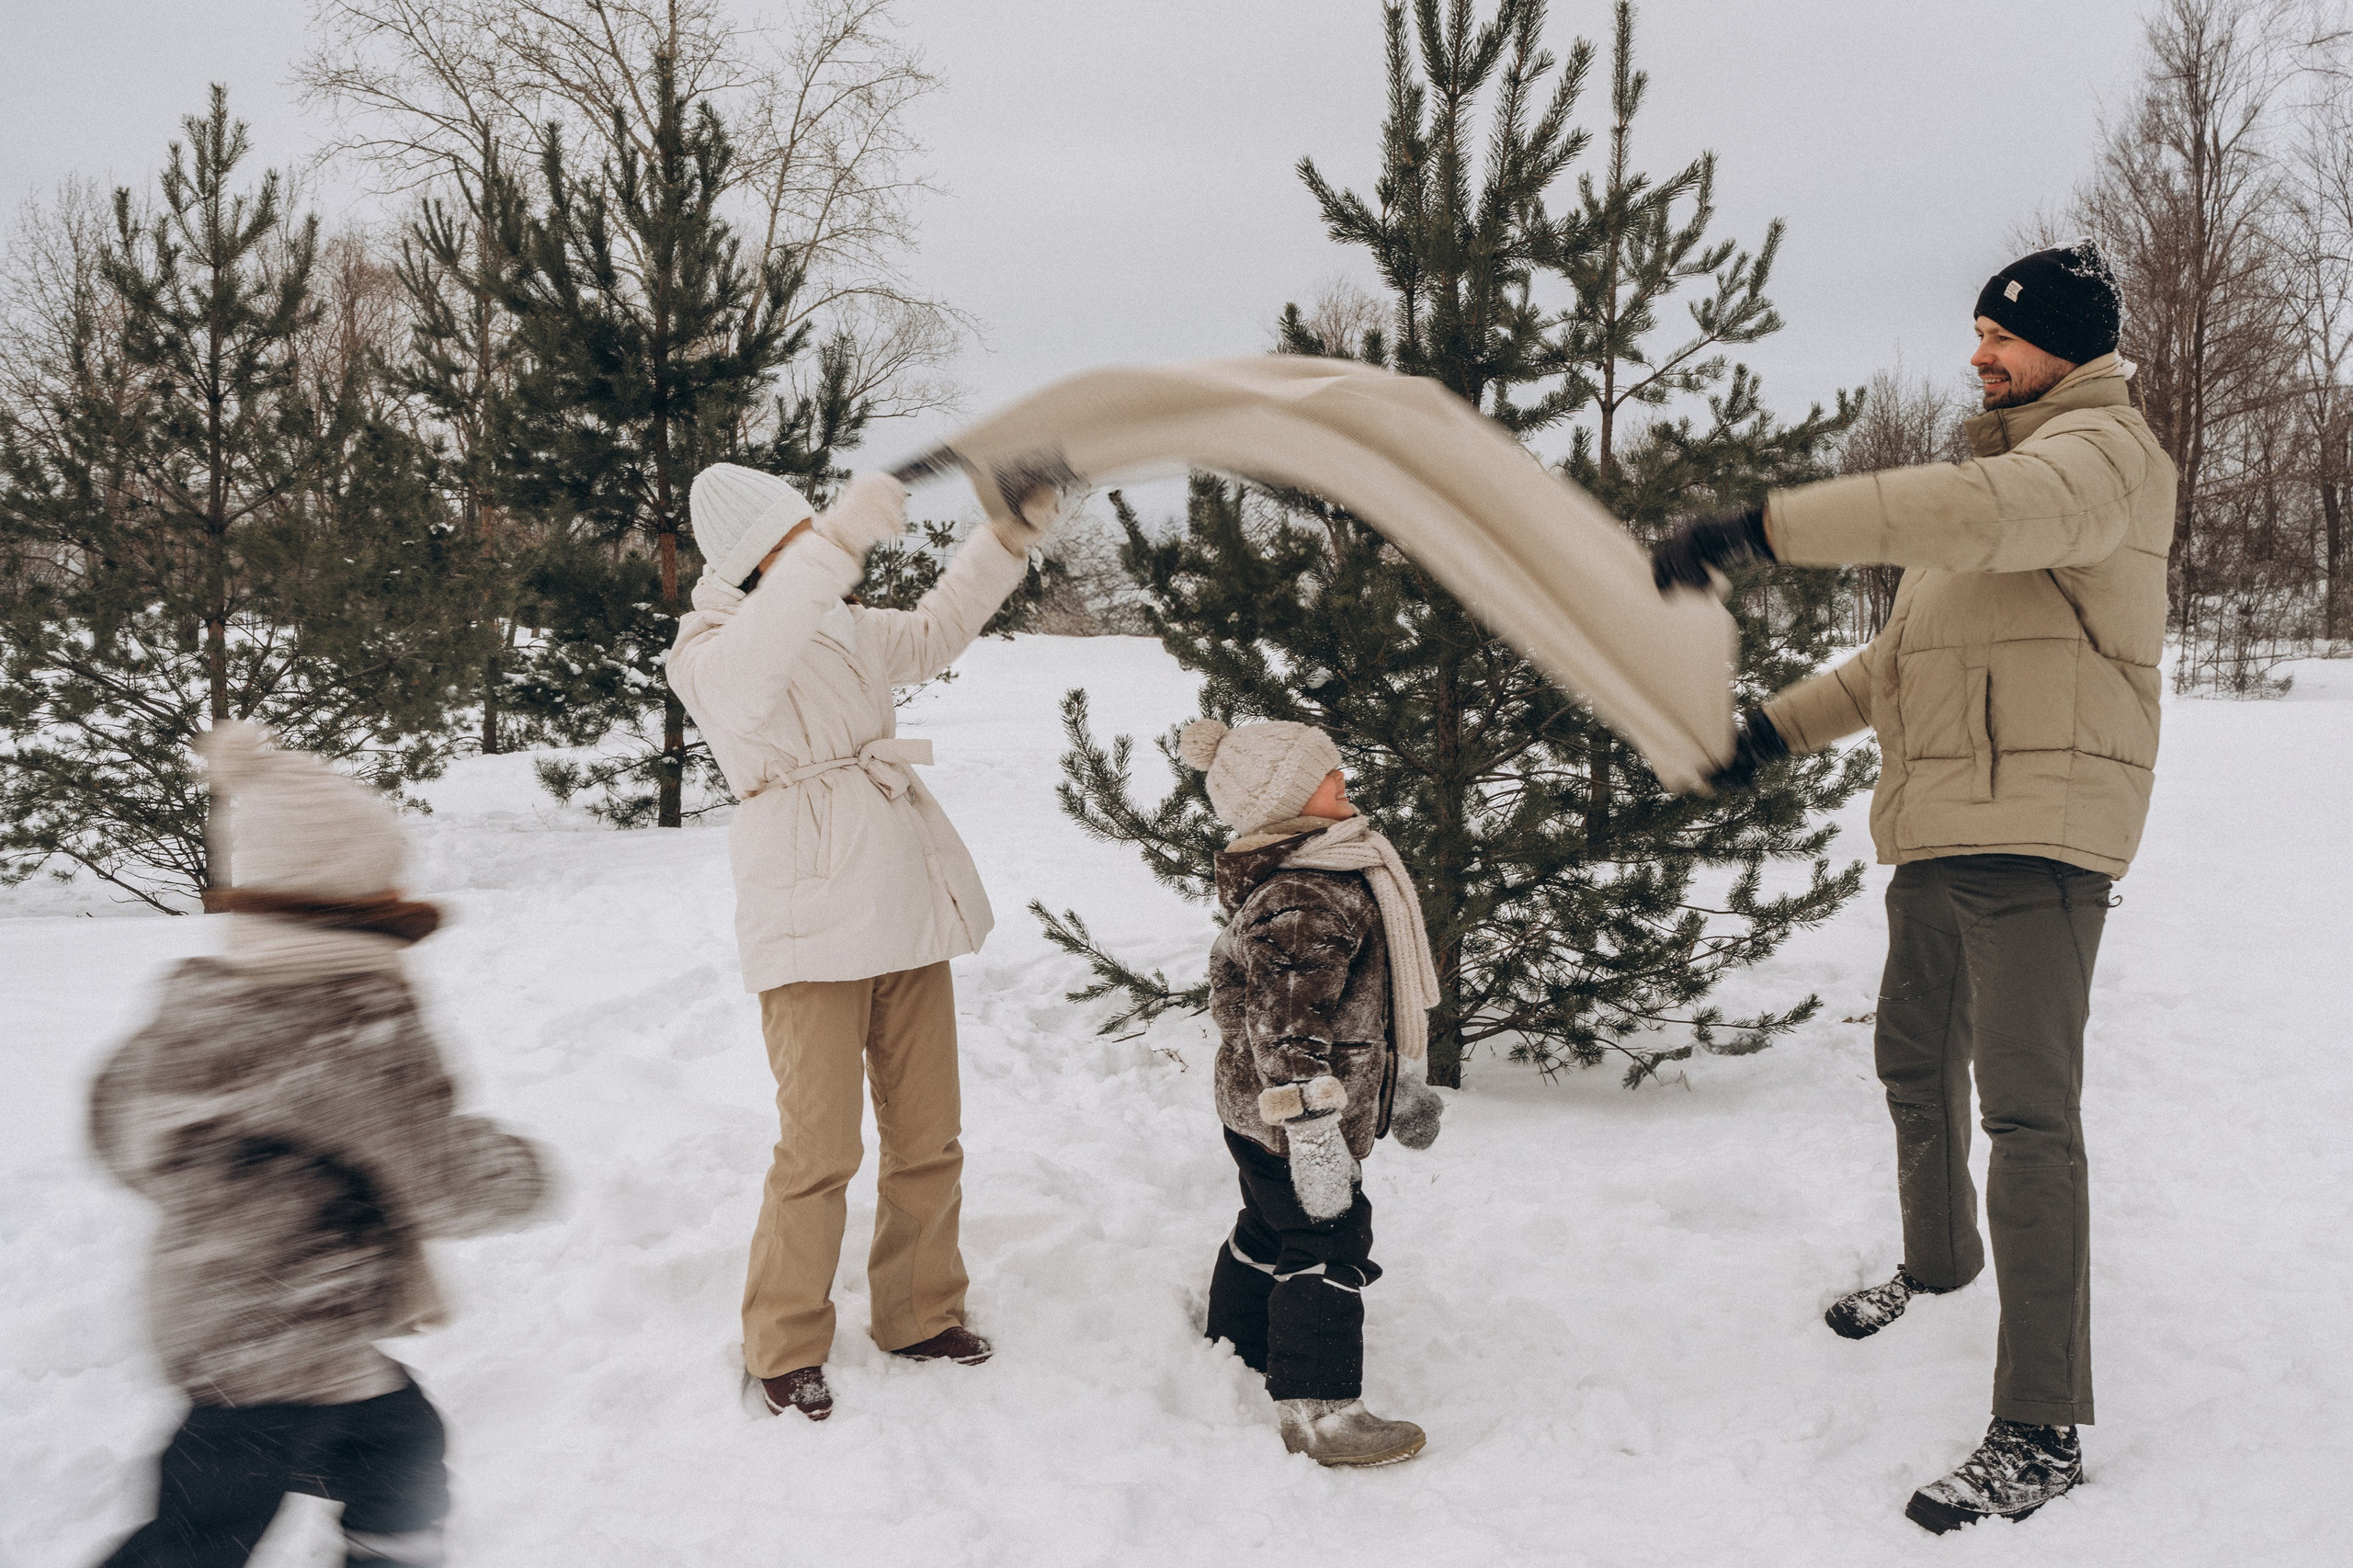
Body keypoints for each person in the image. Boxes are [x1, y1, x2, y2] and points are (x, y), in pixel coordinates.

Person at [1652, 242, 2172, 1532]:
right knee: (1907, 1060)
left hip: (2040, 843)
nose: (1979, 355)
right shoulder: (2006, 476)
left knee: (2031, 1118)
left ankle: (2041, 1424)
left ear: (2066, 345)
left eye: (2002, 337)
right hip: (1940, 832)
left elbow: (1968, 514)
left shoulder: (2099, 464)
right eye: (1978, 335)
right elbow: (1896, 664)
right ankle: (1938, 1268)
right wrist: (1763, 734)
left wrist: (1764, 528)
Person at [90, 722, 553, 1568]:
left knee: (400, 1449)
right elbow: (437, 1176)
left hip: (215, 1319)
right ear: (353, 901)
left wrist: (215, 1183)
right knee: (203, 1533)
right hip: (287, 1332)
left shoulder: (194, 1013)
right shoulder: (349, 1025)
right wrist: (519, 1173)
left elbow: (117, 1131)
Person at [667, 466, 1050, 1421]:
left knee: (929, 1131)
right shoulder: (708, 652)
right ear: (756, 555)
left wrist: (1001, 538)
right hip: (808, 919)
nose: (820, 551)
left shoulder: (839, 620)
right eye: (796, 537)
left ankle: (919, 1310)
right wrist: (833, 539)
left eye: (817, 531)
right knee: (819, 1147)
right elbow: (764, 653)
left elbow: (933, 630)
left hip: (901, 896)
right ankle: (785, 1340)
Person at [1181, 717, 1447, 1468]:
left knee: (1270, 1225)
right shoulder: (1305, 894)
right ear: (1286, 800)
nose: (1343, 783)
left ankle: (1237, 1338)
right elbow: (1286, 1026)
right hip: (1294, 1115)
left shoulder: (1324, 868)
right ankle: (1322, 1412)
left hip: (1258, 1108)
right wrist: (1313, 1133)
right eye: (1325, 777)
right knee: (1327, 1239)